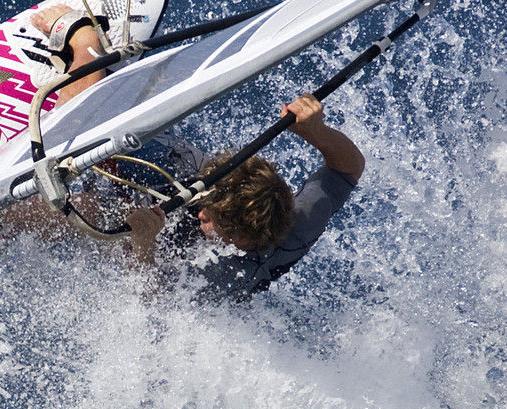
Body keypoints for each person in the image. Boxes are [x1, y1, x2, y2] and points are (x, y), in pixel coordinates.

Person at [122, 93, 364, 300]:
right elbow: (349, 168)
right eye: (207, 206)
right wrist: (316, 131)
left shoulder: (220, 275)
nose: (201, 213)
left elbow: (153, 302)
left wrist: (143, 243)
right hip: (209, 193)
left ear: (239, 235)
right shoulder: (303, 220)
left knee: (87, 207)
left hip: (163, 252)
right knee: (133, 137)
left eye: (210, 217)